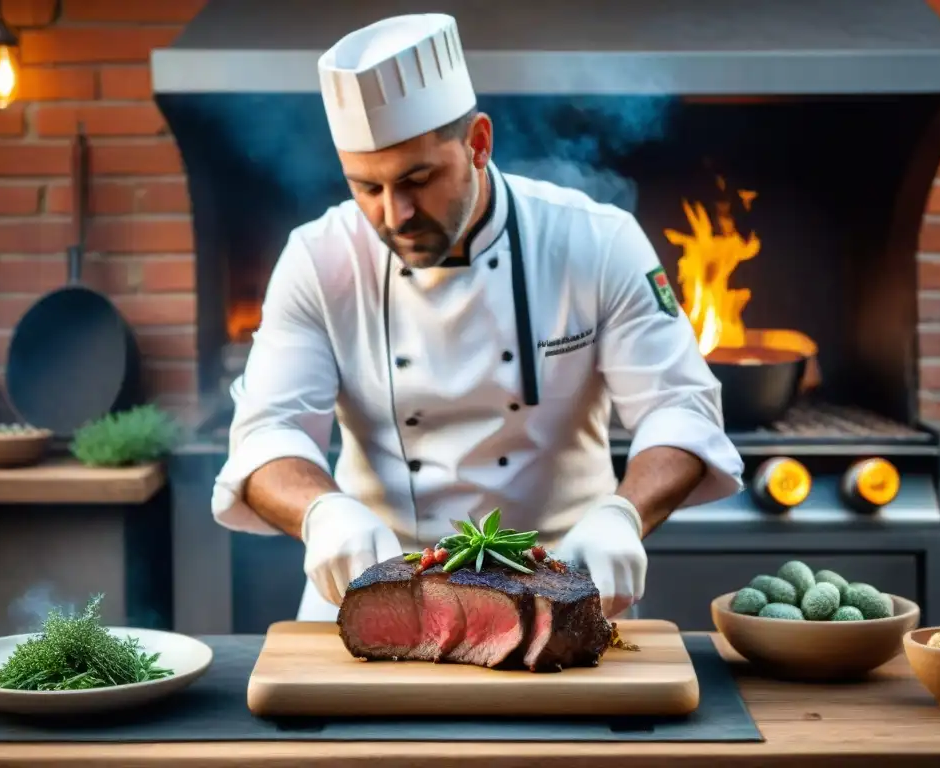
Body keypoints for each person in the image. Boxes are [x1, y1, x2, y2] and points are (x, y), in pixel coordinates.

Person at [211, 13, 744, 622]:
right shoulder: (318, 257)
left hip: (566, 585)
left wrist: (624, 514)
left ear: (479, 144)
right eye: (367, 188)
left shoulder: (596, 241)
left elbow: (680, 408)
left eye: (418, 178)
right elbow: (264, 435)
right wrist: (323, 512)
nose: (395, 214)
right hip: (381, 594)